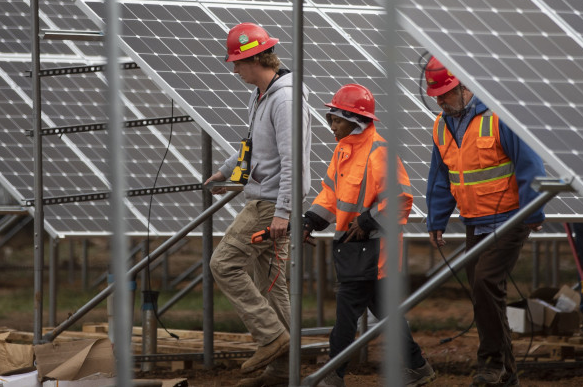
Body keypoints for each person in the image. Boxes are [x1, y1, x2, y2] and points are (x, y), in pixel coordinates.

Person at [423, 56, 546, 387]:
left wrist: (533, 213)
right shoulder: (441, 126)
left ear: (465, 87)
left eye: (445, 92)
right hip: (475, 222)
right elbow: (440, 177)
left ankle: (490, 363)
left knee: (485, 283)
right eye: (435, 94)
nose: (440, 99)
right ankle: (507, 375)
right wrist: (436, 218)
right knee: (484, 293)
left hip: (510, 218)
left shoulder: (498, 118)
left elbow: (530, 165)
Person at [303, 84, 436, 387]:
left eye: (337, 119)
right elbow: (330, 194)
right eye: (331, 119)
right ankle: (418, 366)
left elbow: (401, 197)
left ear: (356, 119)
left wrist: (365, 221)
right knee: (386, 312)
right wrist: (310, 220)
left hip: (374, 250)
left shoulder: (380, 151)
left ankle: (332, 375)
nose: (332, 125)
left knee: (346, 314)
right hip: (354, 249)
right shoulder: (343, 150)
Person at [203, 22, 312, 387]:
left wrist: (282, 212)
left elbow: (292, 160)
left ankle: (271, 337)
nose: (234, 70)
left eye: (237, 62)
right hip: (268, 199)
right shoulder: (263, 94)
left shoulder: (284, 98)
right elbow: (255, 146)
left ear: (255, 58)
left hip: (270, 204)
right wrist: (225, 171)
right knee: (271, 285)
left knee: (224, 264)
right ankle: (284, 370)